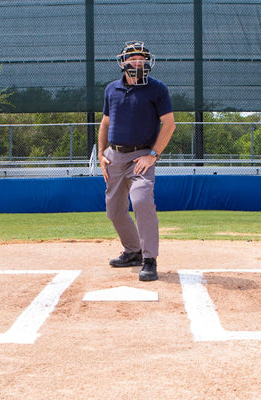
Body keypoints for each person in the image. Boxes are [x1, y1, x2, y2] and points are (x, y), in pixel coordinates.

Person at [98, 41, 176, 281]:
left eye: (142, 58)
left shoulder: (157, 89)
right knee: (114, 211)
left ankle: (150, 259)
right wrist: (101, 154)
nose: (138, 62)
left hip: (141, 157)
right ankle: (133, 251)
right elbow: (105, 124)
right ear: (123, 63)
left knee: (141, 200)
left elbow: (170, 124)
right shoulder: (111, 89)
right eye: (133, 58)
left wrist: (152, 155)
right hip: (114, 158)